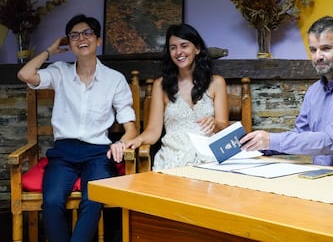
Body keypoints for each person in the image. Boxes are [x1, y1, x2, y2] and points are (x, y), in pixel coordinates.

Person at [17, 14, 137, 242]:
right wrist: (50, 51)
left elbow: (130, 127)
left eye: (87, 33)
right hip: (63, 153)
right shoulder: (59, 71)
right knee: (52, 200)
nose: (81, 38)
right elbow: (24, 75)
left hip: (98, 154)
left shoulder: (115, 79)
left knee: (93, 198)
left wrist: (122, 142)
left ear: (98, 40)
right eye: (74, 35)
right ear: (69, 43)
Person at [240, 16, 333, 173]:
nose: (318, 57)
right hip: (325, 176)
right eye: (313, 49)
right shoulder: (314, 91)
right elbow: (301, 136)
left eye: (326, 48)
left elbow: (330, 141)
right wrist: (259, 145)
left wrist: (270, 140)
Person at [125, 23, 229, 170]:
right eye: (173, 47)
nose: (179, 52)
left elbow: (223, 126)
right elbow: (154, 131)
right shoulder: (161, 85)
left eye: (184, 45)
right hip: (173, 157)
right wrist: (138, 139)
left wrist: (215, 123)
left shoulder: (217, 83)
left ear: (197, 49)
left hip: (209, 157)